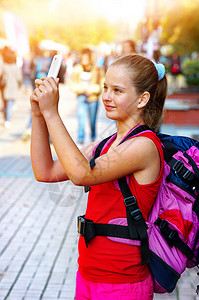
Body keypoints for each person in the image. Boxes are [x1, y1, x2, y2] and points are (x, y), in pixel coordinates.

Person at [30, 53, 167, 299]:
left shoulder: (144, 146)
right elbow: (45, 171)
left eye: (117, 90)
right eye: (105, 87)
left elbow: (82, 174)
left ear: (142, 99)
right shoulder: (105, 145)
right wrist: (39, 116)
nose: (105, 96)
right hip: (88, 274)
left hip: (122, 282)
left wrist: (53, 114)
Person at [70, 48, 104, 144]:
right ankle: (80, 140)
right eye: (82, 58)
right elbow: (72, 84)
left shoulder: (97, 68)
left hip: (93, 97)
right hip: (81, 96)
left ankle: (93, 138)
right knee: (81, 119)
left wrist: (93, 90)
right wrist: (82, 89)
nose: (84, 61)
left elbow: (102, 83)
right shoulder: (77, 68)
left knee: (93, 121)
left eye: (86, 58)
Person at [1, 47, 22, 128]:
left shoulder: (4, 65)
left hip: (4, 87)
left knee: (5, 104)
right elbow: (19, 78)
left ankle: (6, 118)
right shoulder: (15, 66)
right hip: (13, 87)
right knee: (10, 104)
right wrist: (19, 86)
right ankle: (8, 120)